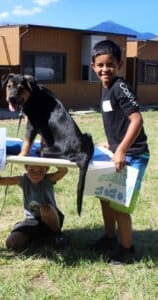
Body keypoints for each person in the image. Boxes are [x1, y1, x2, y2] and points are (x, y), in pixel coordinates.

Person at [90, 39, 149, 264]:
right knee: (105, 195)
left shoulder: (119, 86)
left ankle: (127, 250)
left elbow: (136, 119)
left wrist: (121, 150)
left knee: (119, 204)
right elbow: (119, 121)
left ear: (120, 64)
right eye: (101, 65)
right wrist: (111, 143)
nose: (105, 69)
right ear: (93, 66)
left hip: (133, 155)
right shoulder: (105, 89)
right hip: (119, 151)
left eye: (110, 64)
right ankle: (109, 237)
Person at [0, 165, 68, 251]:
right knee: (11, 243)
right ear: (26, 168)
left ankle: (57, 235)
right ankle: (40, 238)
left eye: (40, 171)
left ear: (47, 170)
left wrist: (51, 158)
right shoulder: (23, 180)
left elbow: (63, 171)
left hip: (52, 219)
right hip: (32, 220)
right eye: (32, 170)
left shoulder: (49, 179)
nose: (36, 174)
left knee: (45, 208)